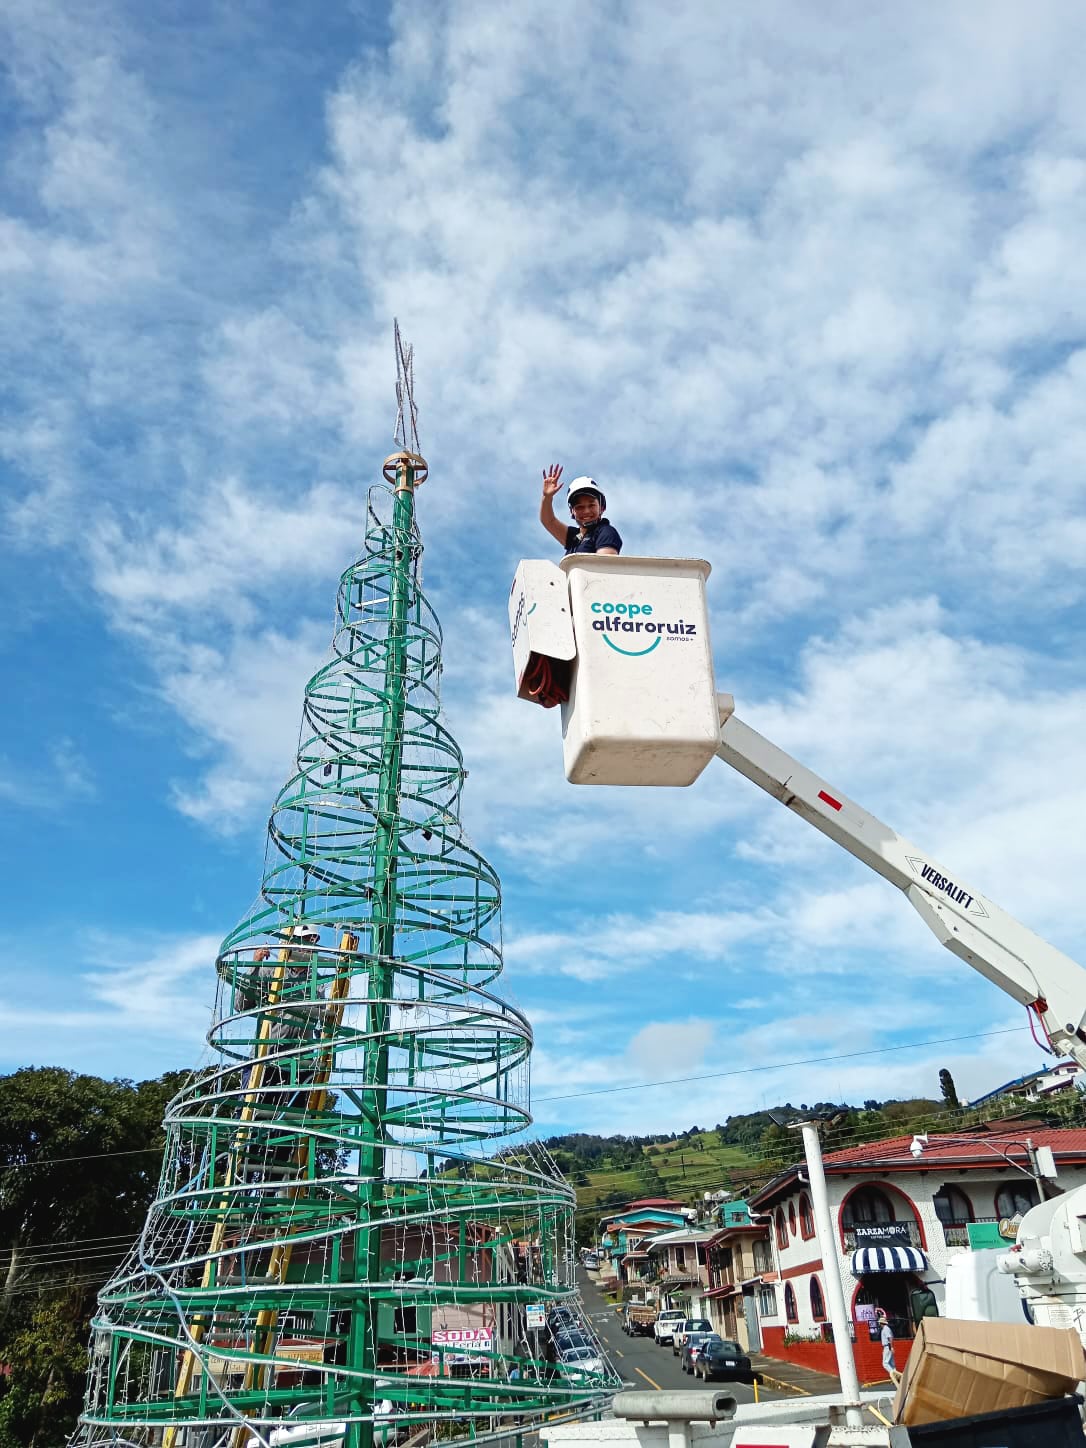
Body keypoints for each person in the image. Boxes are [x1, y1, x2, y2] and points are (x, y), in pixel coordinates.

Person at [538, 464, 622, 555]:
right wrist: (547, 497)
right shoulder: (575, 537)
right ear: (572, 511)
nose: (586, 511)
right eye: (579, 507)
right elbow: (548, 521)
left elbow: (603, 566)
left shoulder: (606, 532)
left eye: (591, 505)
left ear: (602, 508)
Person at [877, 1309, 900, 1387]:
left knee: (885, 1363)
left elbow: (889, 1338)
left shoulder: (885, 1329)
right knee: (891, 1363)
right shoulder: (886, 1328)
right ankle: (896, 1377)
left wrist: (891, 1347)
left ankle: (893, 1375)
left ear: (881, 1323)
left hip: (887, 1346)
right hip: (887, 1347)